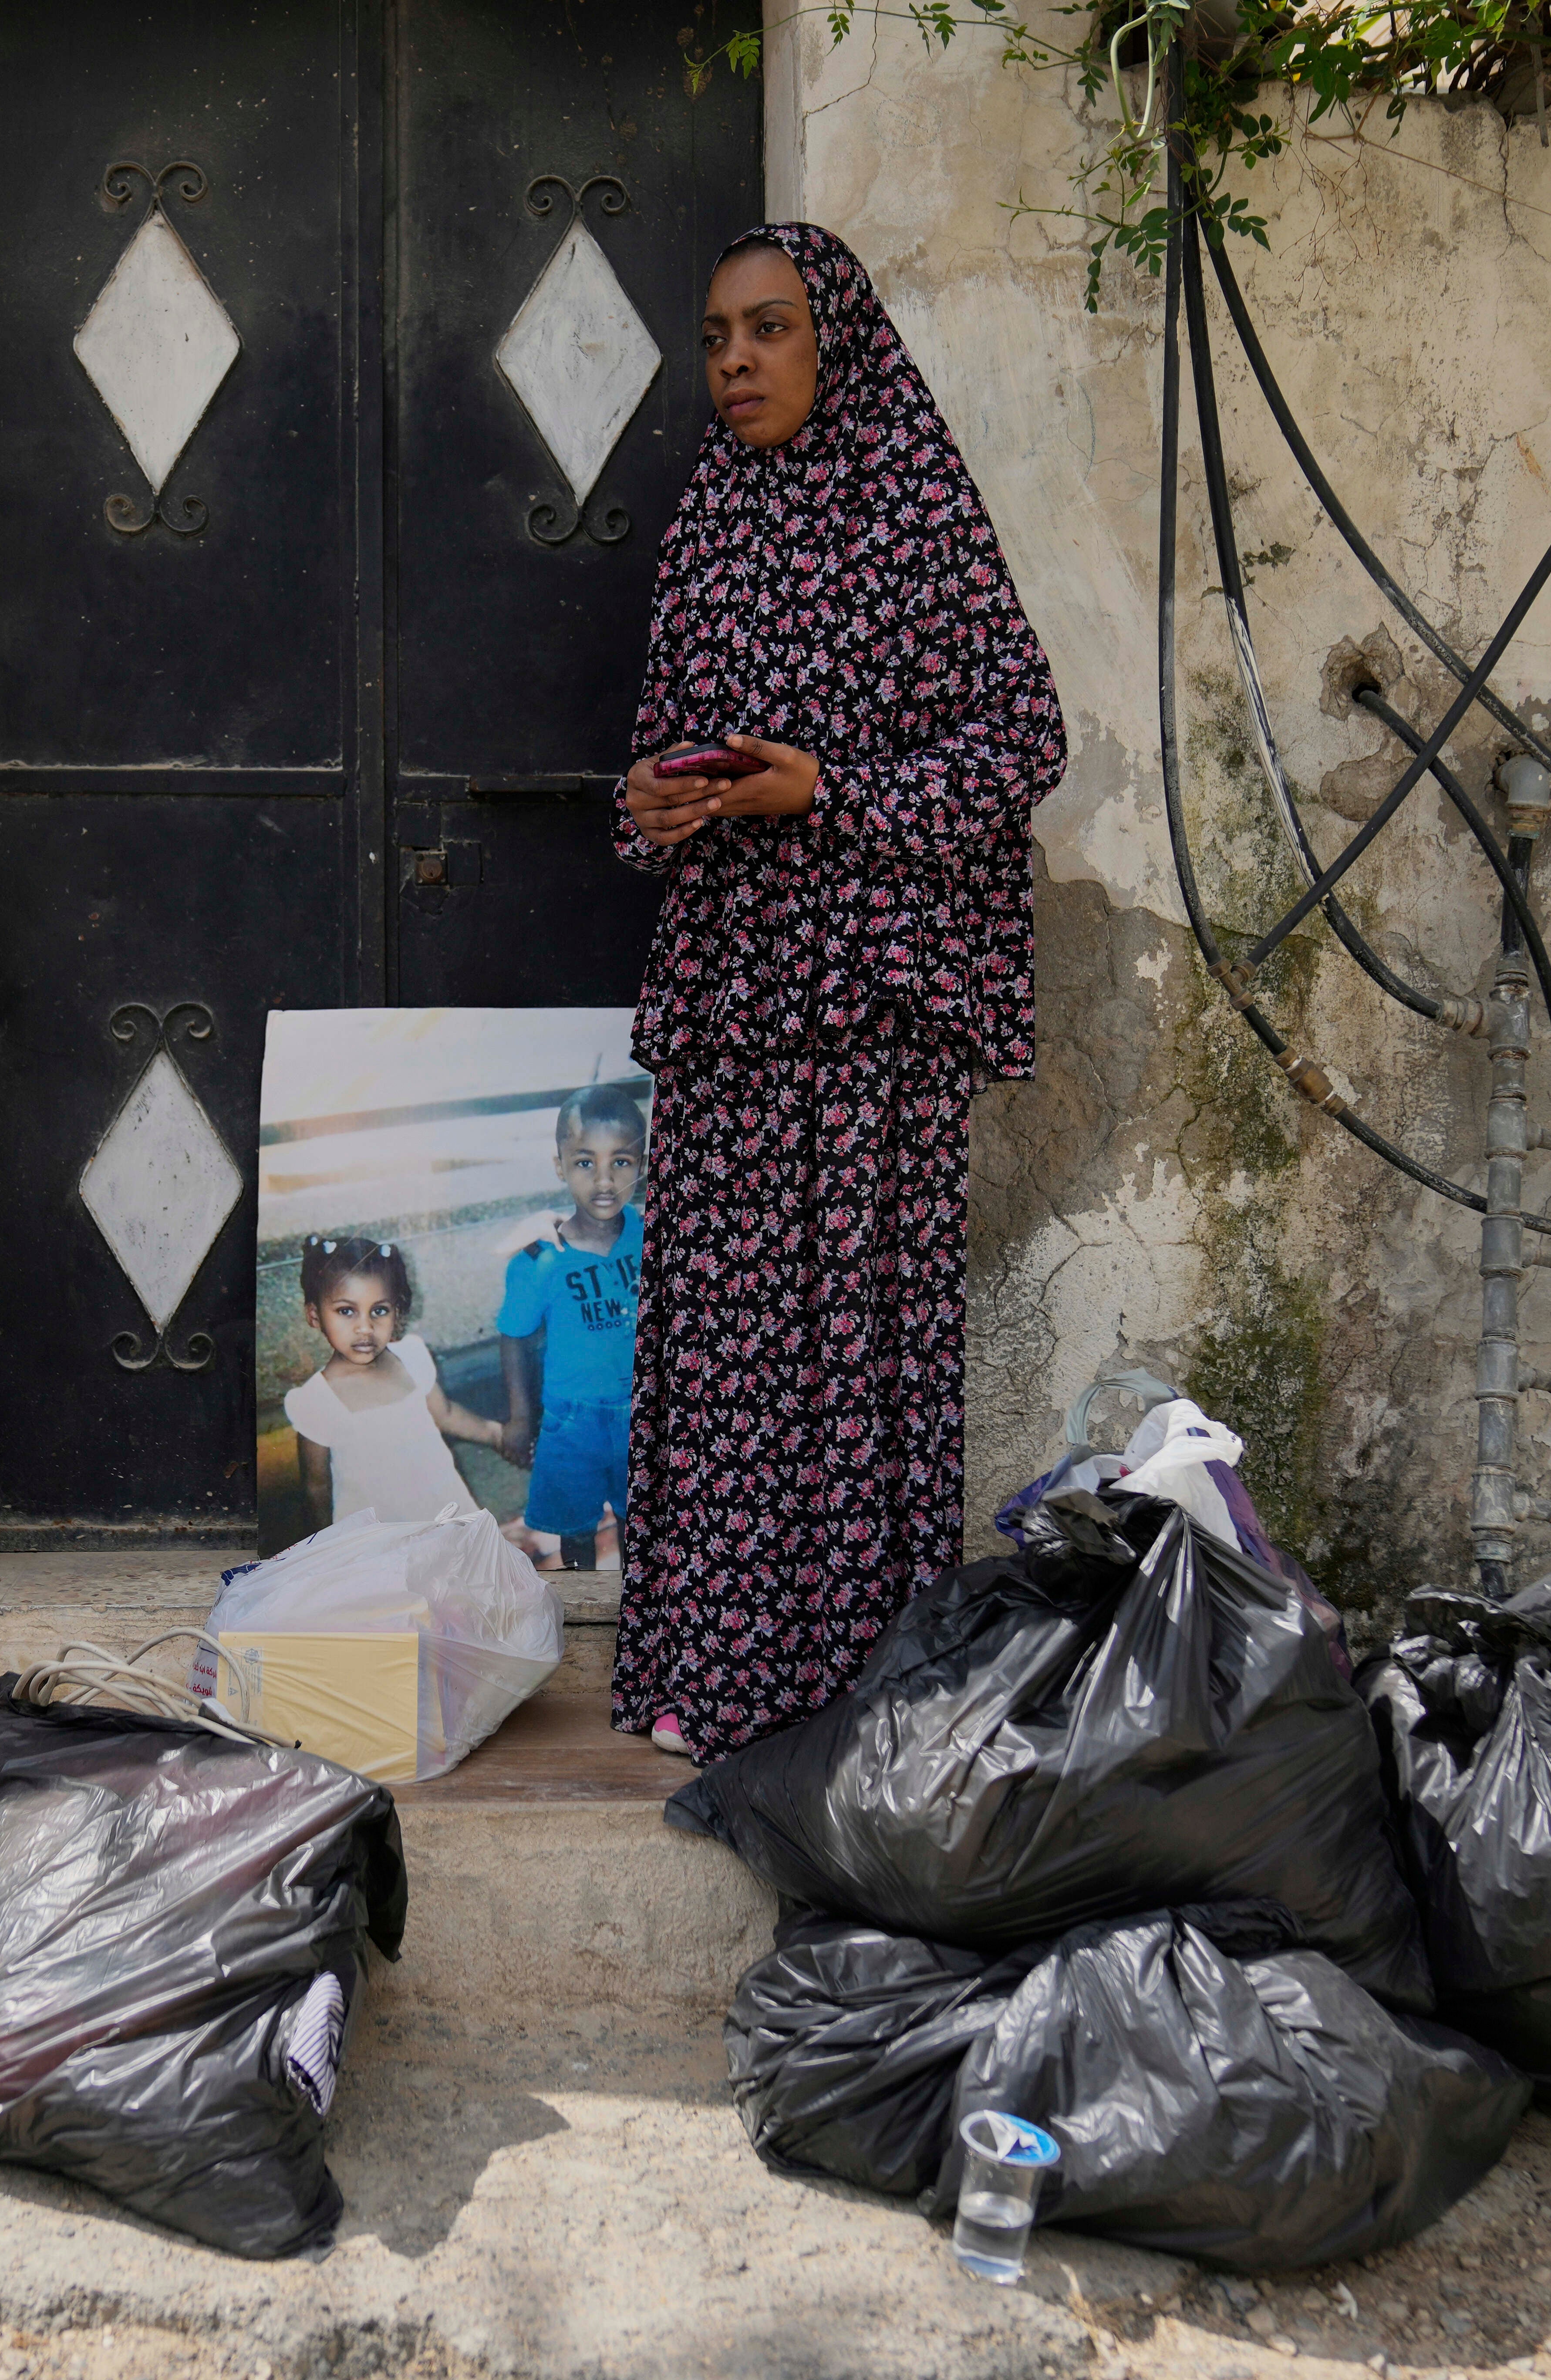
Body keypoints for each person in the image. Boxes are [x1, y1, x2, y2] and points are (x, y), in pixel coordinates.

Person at [607, 224, 1066, 1762]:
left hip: (870, 1007)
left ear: (837, 339)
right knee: (725, 1341)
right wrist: (656, 804)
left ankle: (853, 1689)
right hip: (734, 995)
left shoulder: (919, 509)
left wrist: (831, 792)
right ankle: (709, 1672)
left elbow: (1020, 745)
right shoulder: (708, 518)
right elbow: (667, 742)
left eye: (770, 330)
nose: (737, 362)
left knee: (855, 1351)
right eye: (719, 335)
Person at [497, 1081, 649, 1574]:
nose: (604, 1181)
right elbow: (515, 1338)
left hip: (638, 1413)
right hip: (570, 1423)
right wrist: (521, 1418)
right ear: (560, 1165)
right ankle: (583, 1601)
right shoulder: (539, 1261)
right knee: (576, 1531)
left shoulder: (653, 1239)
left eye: (620, 1162)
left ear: (642, 1164)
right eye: (586, 1163)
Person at [282, 1234, 508, 1530]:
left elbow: (446, 1414)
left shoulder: (412, 1357)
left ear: (397, 1311)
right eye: (346, 1311)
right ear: (315, 1316)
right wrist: (327, 1546)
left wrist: (494, 1433)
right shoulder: (315, 1401)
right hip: (378, 1531)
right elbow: (317, 1488)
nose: (365, 1327)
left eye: (380, 1311)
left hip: (439, 1506)